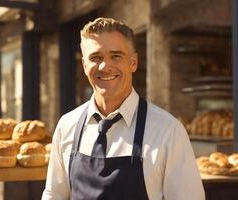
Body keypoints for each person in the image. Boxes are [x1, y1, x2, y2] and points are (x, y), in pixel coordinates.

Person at [42, 18, 205, 200]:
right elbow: (54, 195)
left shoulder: (168, 131)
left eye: (116, 56)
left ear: (133, 62)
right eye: (95, 57)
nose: (105, 66)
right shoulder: (67, 126)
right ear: (84, 65)